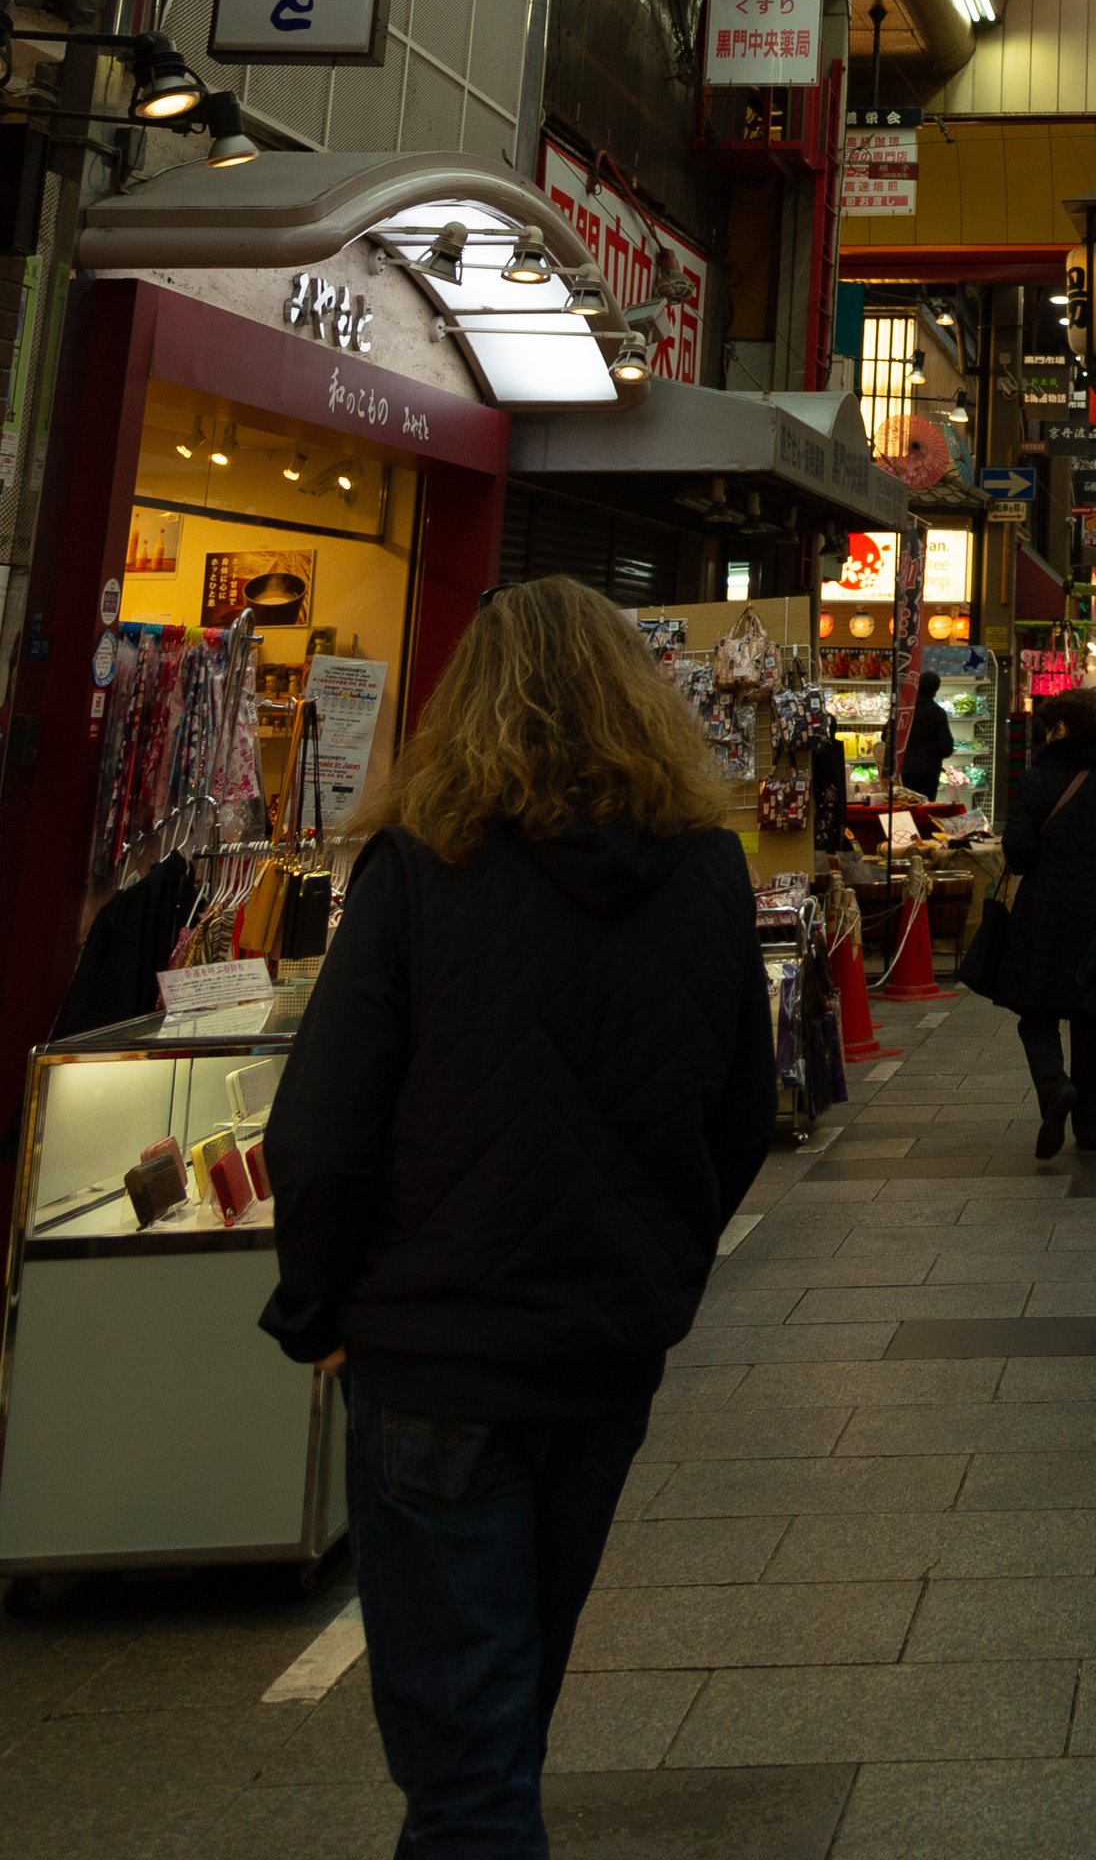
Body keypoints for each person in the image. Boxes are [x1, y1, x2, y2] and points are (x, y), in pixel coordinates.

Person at [261, 577, 774, 1859]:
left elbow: (320, 1131)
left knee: (466, 1752)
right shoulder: (706, 866)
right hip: (602, 1353)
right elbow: (741, 1111)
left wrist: (317, 1309)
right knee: (507, 1705)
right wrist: (657, 1271)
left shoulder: (420, 866)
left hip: (436, 1354)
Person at [992, 687, 1096, 1160]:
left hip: (1045, 913)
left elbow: (1019, 851)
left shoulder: (1037, 778)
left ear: (1061, 729)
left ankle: (1054, 1087)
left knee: (1037, 1013)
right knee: (1094, 1018)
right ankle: (1091, 1122)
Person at [898, 658, 953, 798]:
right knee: (925, 809)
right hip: (929, 772)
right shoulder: (938, 713)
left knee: (905, 806)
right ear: (936, 690)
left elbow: (886, 736)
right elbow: (946, 747)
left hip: (904, 769)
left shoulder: (905, 709)